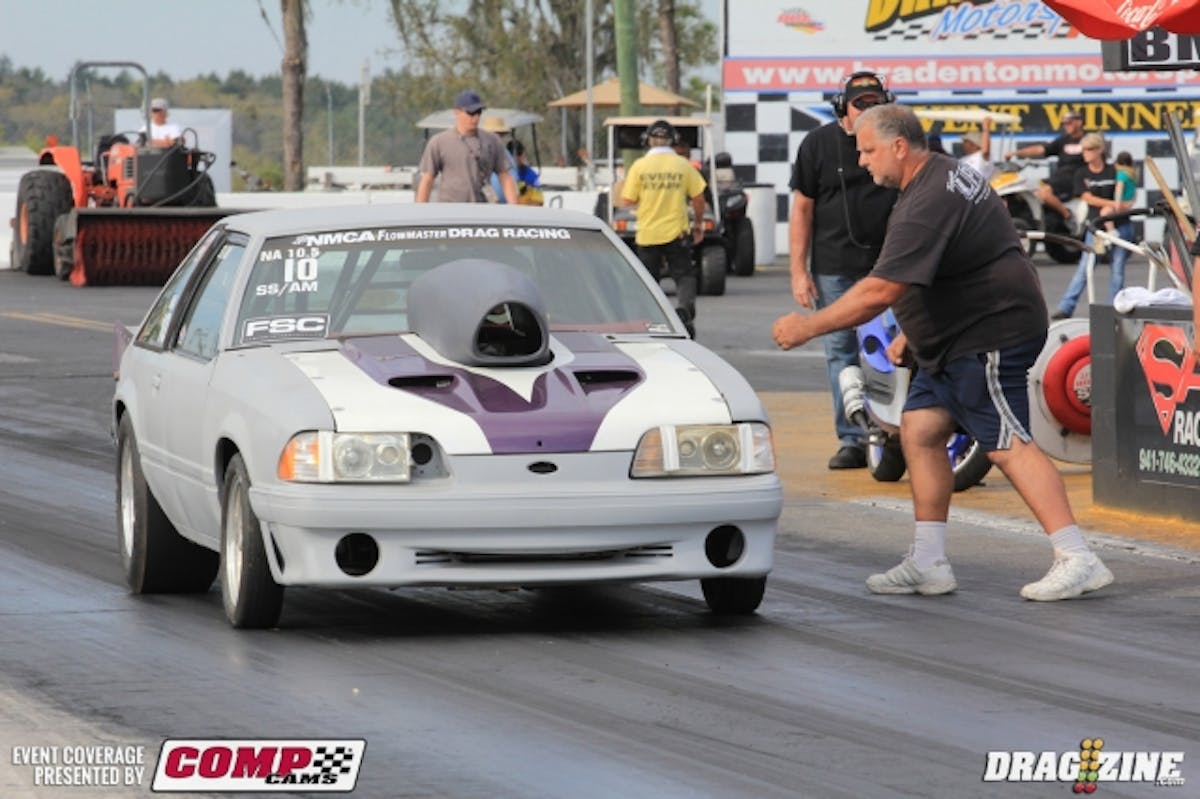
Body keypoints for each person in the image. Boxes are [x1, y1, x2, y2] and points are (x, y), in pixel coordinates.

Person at [771, 104, 1113, 602]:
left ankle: (1077, 556)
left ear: (899, 146)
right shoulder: (947, 175)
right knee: (922, 429)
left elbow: (880, 290)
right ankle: (929, 562)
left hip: (989, 330)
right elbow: (951, 260)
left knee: (1006, 442)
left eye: (867, 151)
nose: (863, 162)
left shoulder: (926, 201)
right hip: (953, 334)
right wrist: (912, 333)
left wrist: (808, 327)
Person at [788, 71, 899, 469]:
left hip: (890, 267)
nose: (870, 111)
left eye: (877, 103)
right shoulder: (817, 145)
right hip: (834, 267)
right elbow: (802, 209)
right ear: (842, 108)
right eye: (860, 104)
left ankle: (895, 431)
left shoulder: (898, 144)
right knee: (840, 350)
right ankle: (853, 438)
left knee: (894, 348)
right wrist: (798, 272)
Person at [620, 118, 707, 337]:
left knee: (648, 282)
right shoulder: (682, 164)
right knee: (684, 276)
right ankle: (685, 314)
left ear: (647, 140)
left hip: (647, 233)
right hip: (677, 232)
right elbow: (698, 197)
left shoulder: (639, 166)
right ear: (673, 140)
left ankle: (651, 321)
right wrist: (697, 223)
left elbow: (627, 200)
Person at [1052, 134, 1134, 319]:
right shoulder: (1082, 173)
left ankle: (1115, 308)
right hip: (1097, 230)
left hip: (1119, 226)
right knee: (1085, 268)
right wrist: (1112, 204)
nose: (1085, 154)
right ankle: (1066, 307)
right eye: (1084, 150)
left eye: (1089, 149)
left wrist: (1120, 204)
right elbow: (1086, 197)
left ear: (1099, 150)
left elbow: (1129, 192)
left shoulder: (1114, 171)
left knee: (1118, 269)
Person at [416, 90, 518, 204]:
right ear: (456, 112)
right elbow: (427, 179)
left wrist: (514, 209)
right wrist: (420, 211)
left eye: (479, 112)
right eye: (471, 112)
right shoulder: (438, 142)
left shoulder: (493, 141)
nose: (475, 117)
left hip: (482, 210)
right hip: (451, 211)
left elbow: (504, 176)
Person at [1004, 110, 1087, 231]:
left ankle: (1068, 216)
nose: (1066, 126)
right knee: (1030, 189)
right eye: (1064, 123)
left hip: (1076, 177)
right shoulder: (1063, 140)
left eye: (1069, 123)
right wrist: (1017, 153)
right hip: (1060, 177)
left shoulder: (1089, 139)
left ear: (1079, 122)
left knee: (1044, 192)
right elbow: (1041, 149)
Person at [507, 140, 544, 206]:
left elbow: (538, 201)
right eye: (513, 156)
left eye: (520, 154)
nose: (518, 158)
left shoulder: (531, 175)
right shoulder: (500, 174)